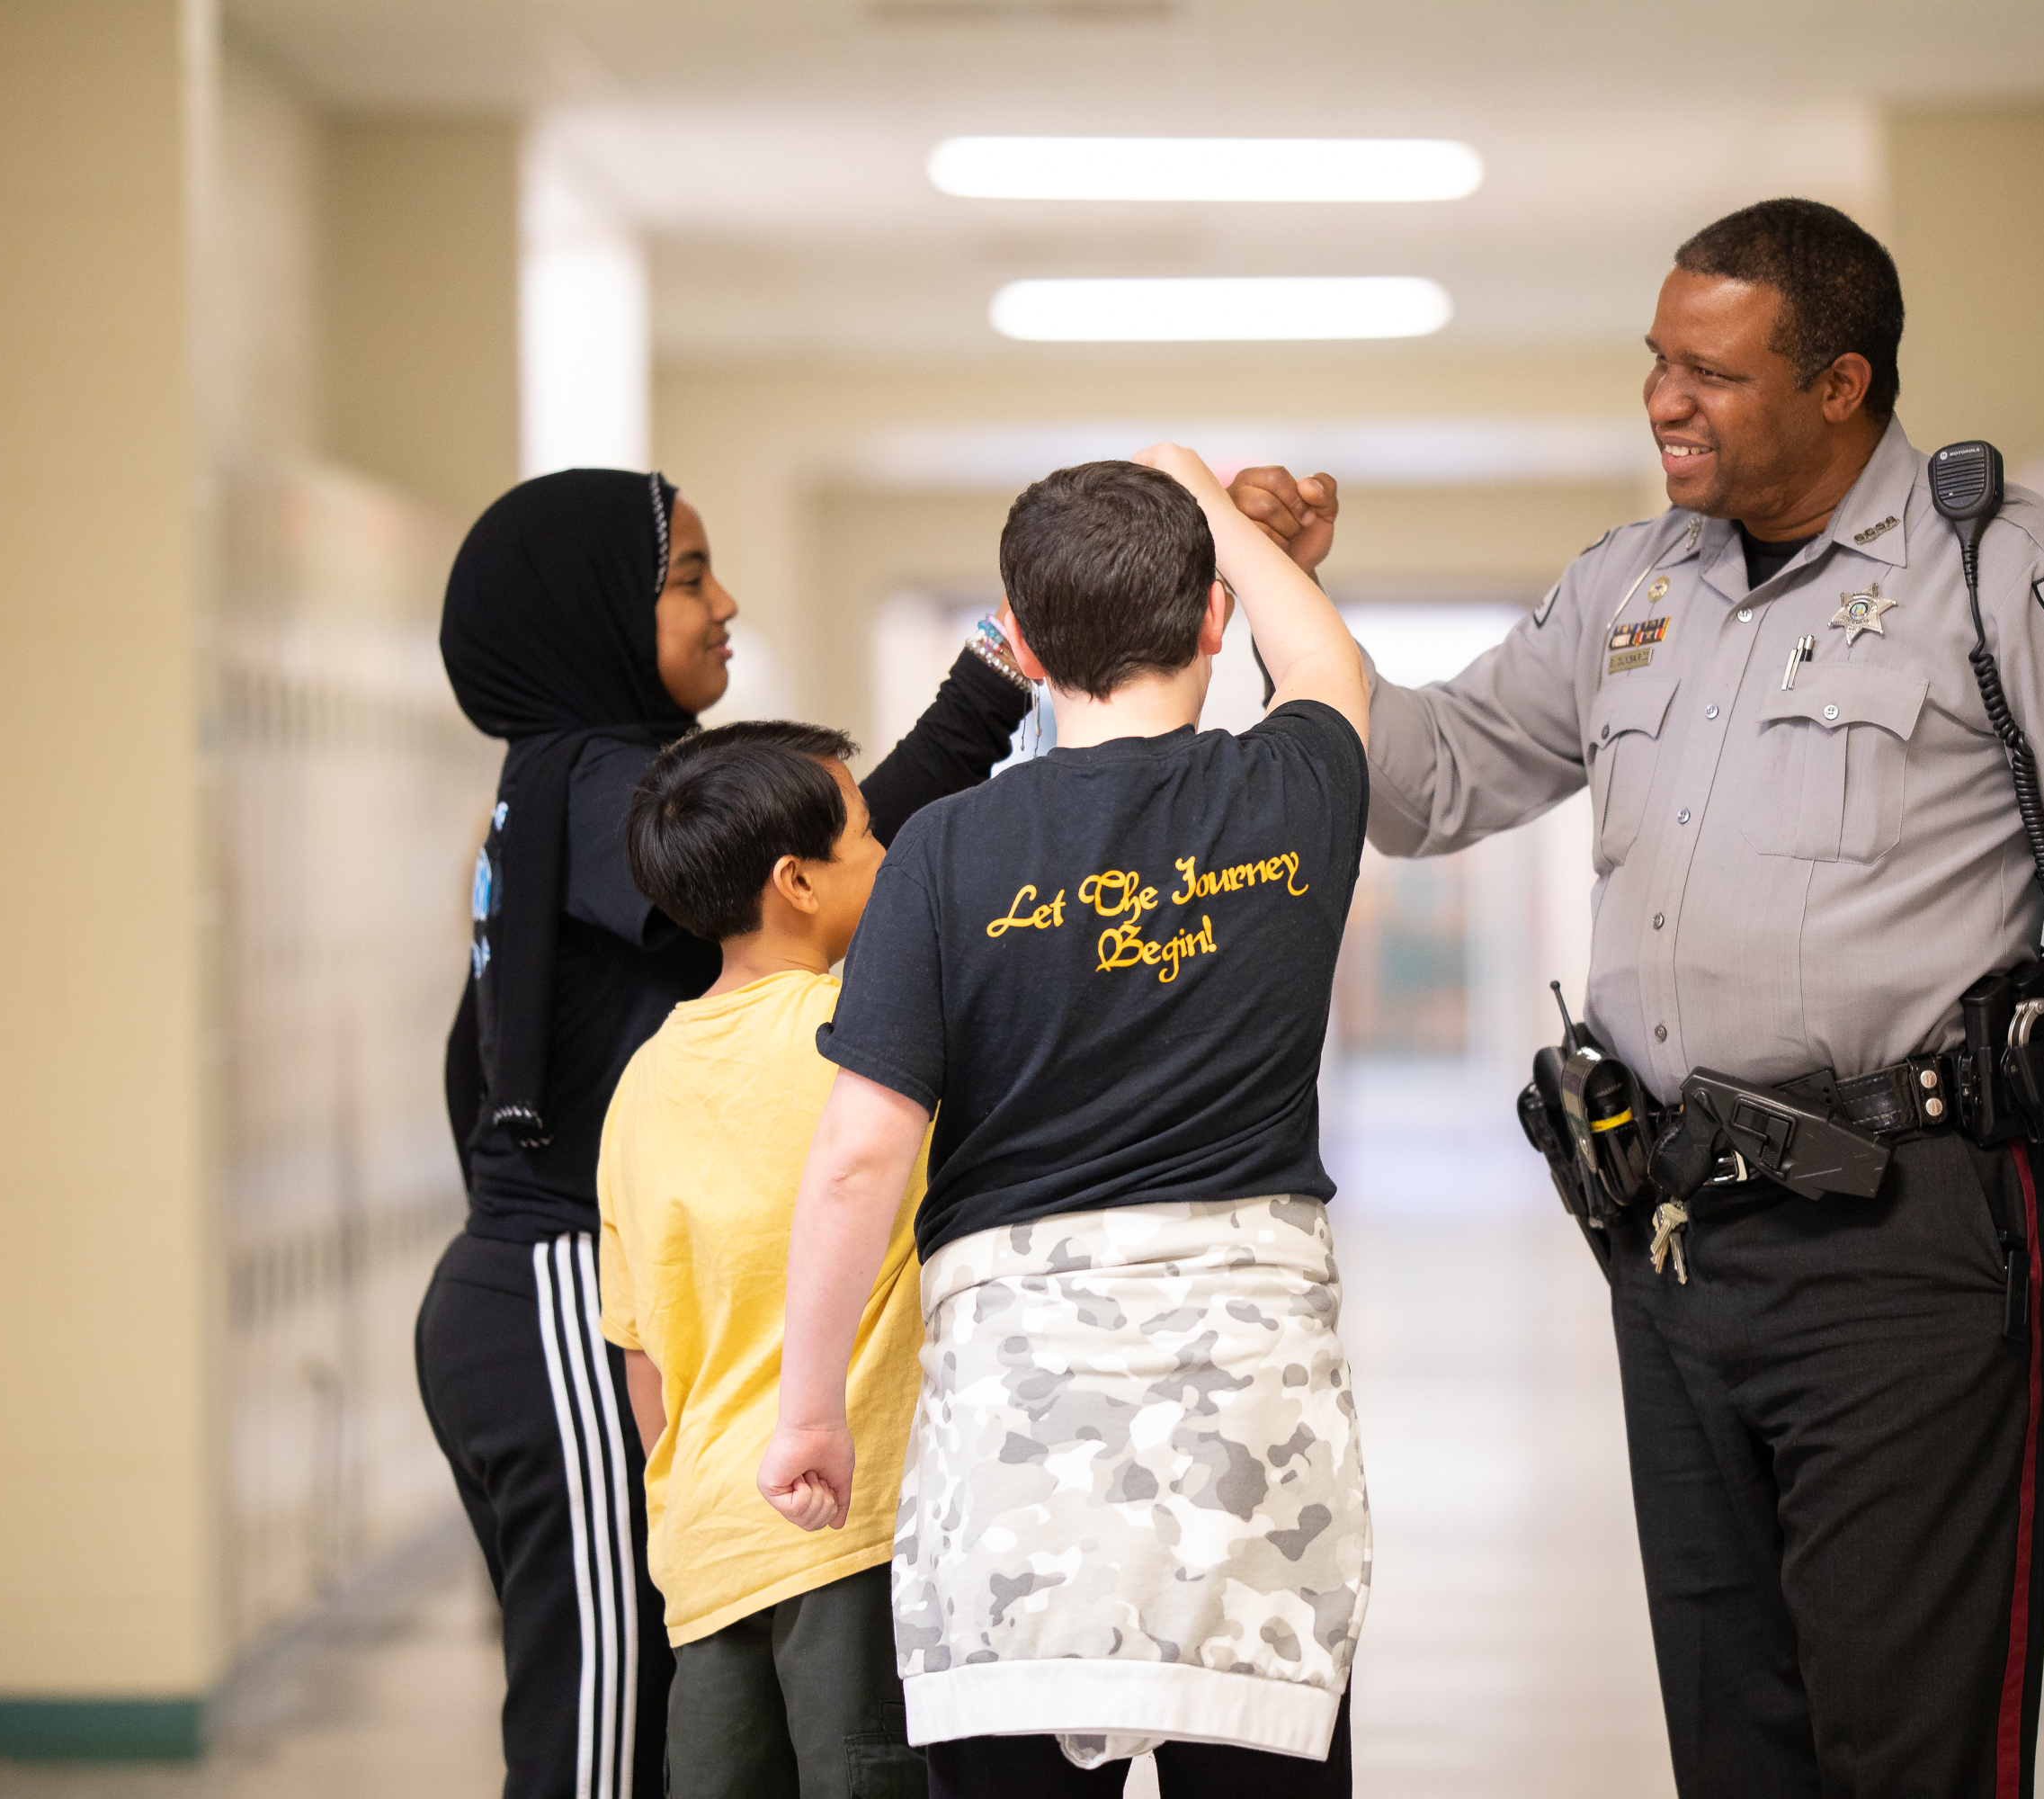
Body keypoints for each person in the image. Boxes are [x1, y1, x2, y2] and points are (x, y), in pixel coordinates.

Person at [1227, 199, 2044, 1798]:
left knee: (1904, 1741)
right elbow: (1421, 785)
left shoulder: (2004, 577)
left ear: (1840, 387)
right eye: (1654, 363)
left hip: (1904, 1240)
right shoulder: (1631, 591)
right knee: (1734, 1741)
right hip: (1674, 1238)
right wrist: (1283, 602)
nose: (1663, 401)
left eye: (1709, 372)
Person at [756, 448, 1373, 1797]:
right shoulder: (1298, 791)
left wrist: (810, 1407)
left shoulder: (944, 851)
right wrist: (1202, 497)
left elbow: (861, 1154)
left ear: (1022, 645)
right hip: (1252, 1409)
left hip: (1016, 1411)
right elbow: (1327, 660)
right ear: (1214, 620)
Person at [416, 467, 1031, 1799]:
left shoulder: (556, 787)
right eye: (688, 576)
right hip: (558, 1295)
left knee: (648, 1727)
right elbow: (799, 845)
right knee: (601, 1733)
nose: (723, 601)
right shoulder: (592, 787)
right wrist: (993, 681)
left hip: (552, 1284)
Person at [597, 719, 931, 1799]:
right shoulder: (865, 1042)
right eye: (868, 835)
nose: (886, 855)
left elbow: (641, 1354)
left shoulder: (640, 1084)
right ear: (796, 879)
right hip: (849, 1531)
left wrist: (691, 1499)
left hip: (707, 1547)